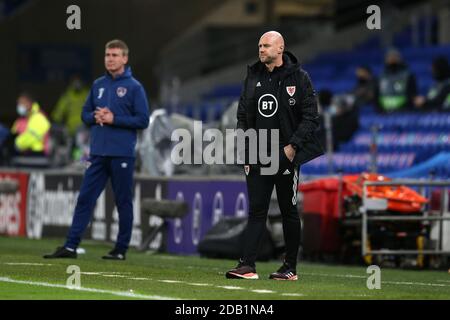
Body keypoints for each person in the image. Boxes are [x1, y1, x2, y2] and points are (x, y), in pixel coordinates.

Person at [226, 31, 323, 280]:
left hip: (285, 154)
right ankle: (247, 266)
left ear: (280, 49)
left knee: (288, 209)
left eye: (266, 45)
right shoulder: (252, 76)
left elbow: (311, 117)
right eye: (259, 45)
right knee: (257, 210)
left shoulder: (299, 78)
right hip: (257, 153)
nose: (261, 49)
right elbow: (242, 116)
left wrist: (292, 147)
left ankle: (289, 267)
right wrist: (245, 153)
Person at [44, 39, 150, 260]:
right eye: (107, 55)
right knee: (85, 198)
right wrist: (94, 116)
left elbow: (143, 120)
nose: (110, 59)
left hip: (122, 153)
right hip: (98, 153)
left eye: (114, 55)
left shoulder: (134, 87)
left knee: (122, 202)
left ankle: (120, 249)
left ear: (124, 58)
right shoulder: (98, 85)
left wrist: (114, 119)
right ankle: (70, 246)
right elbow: (84, 114)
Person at [377, 48, 417, 113]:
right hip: (383, 112)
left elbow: (412, 95)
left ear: (400, 59)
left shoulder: (409, 76)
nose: (392, 59)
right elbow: (377, 96)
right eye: (389, 57)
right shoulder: (381, 77)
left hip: (404, 112)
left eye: (394, 57)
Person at [11, 92, 51, 156]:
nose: (19, 106)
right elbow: (13, 134)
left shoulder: (39, 117)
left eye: (22, 103)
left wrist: (16, 143)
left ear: (30, 103)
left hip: (37, 155)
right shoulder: (20, 120)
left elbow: (32, 136)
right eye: (18, 103)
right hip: (22, 154)